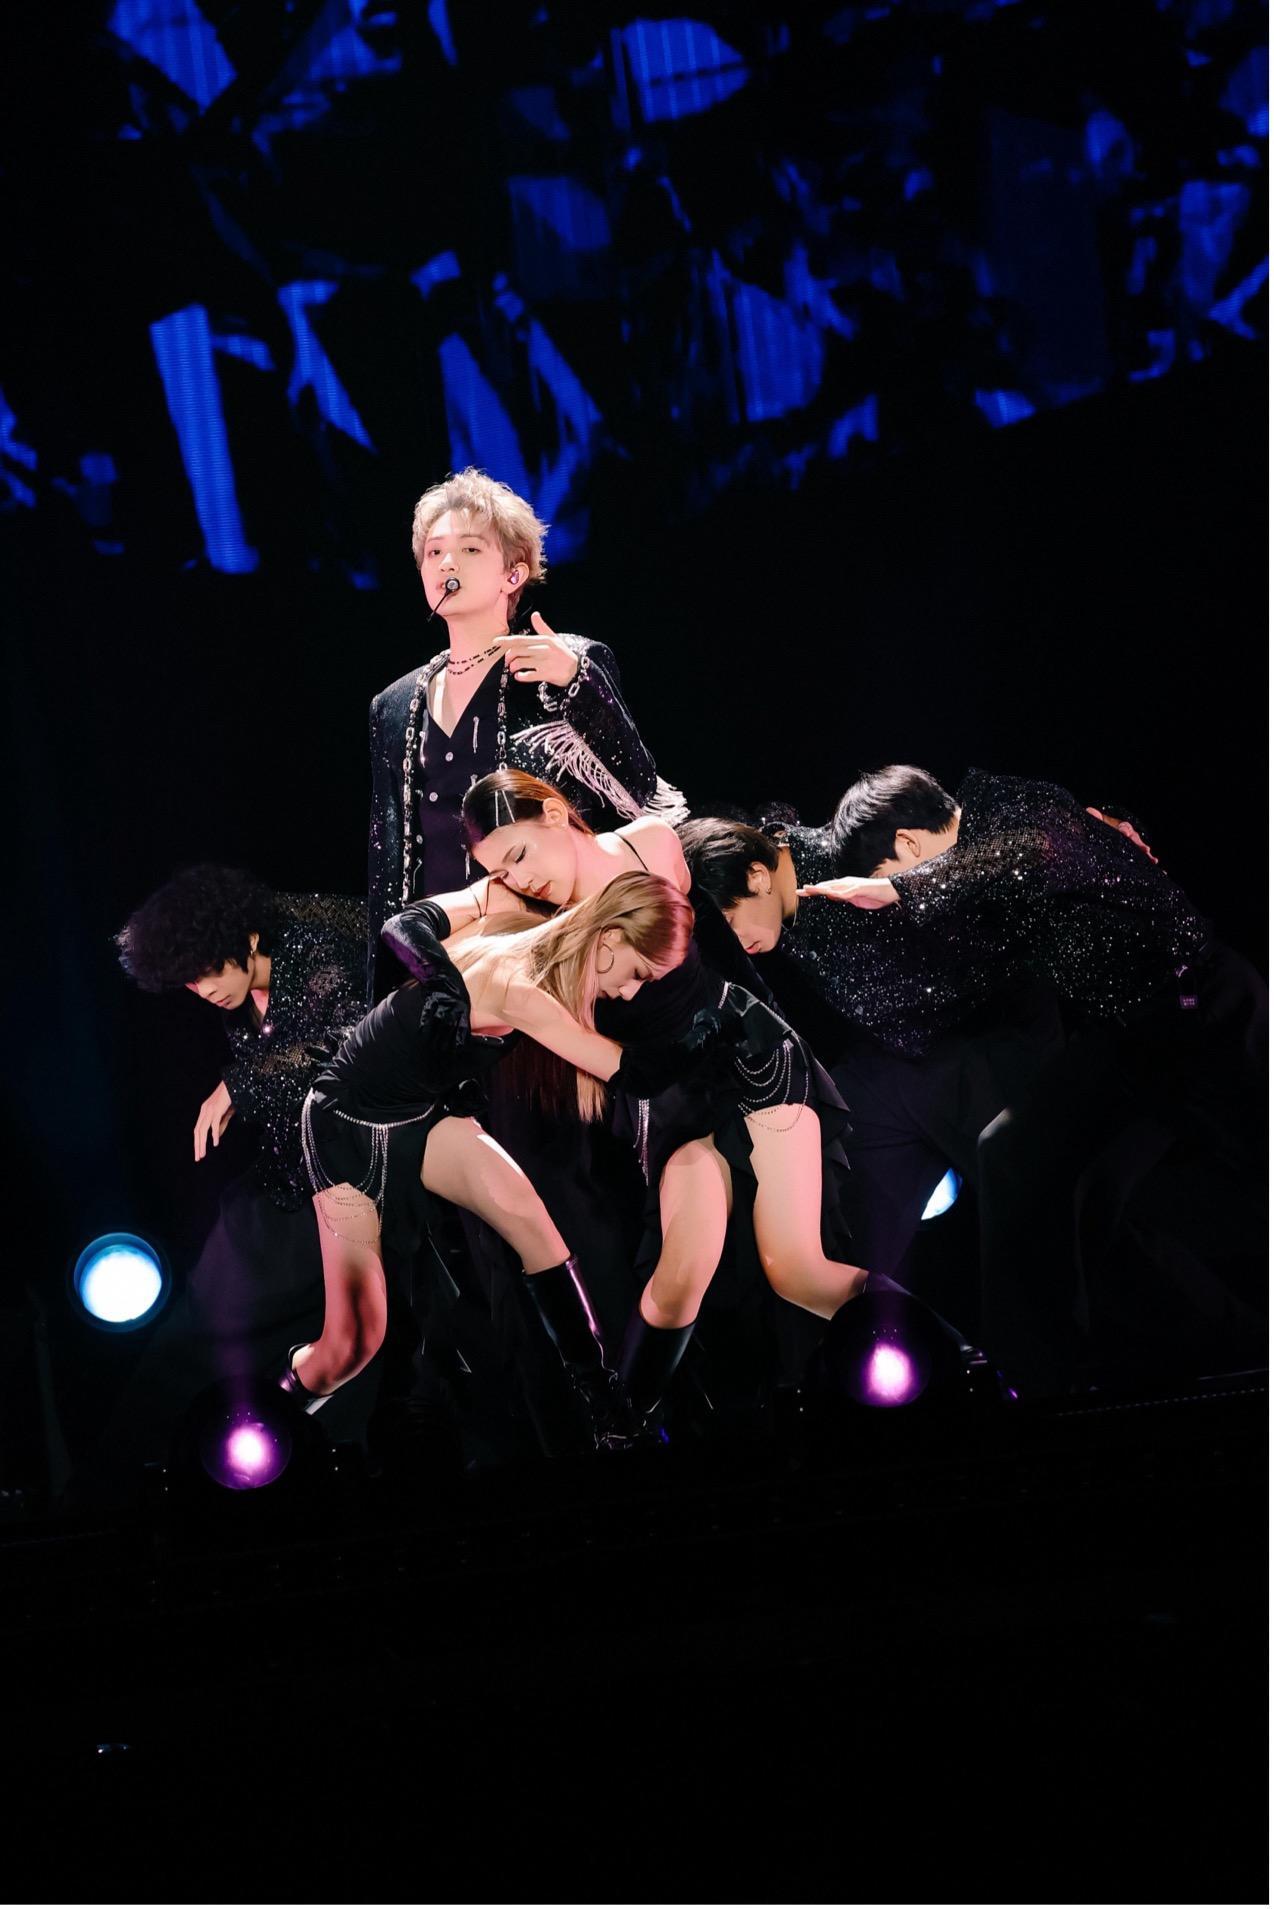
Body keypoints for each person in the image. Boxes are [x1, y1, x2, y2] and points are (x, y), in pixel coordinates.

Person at [805, 764, 1268, 1392]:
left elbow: (1034, 849)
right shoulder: (986, 859)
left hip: (1205, 1009)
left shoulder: (1009, 811)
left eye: (892, 869)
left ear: (908, 843)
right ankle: (1042, 1377)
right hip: (1126, 1039)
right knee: (1012, 1154)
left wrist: (899, 889)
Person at [433, 770, 870, 1429]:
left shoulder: (652, 844)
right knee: (676, 1284)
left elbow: (721, 956)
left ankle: (955, 1364)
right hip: (668, 1099)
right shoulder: (513, 907)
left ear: (555, 813)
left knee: (796, 1269)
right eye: (500, 869)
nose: (518, 877)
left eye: (519, 854)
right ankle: (624, 1428)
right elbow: (418, 934)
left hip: (748, 1058)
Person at [286, 871, 695, 1446]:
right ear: (608, 939)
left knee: (532, 1223)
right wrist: (713, 1039)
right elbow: (629, 1073)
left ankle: (610, 1414)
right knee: (353, 1344)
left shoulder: (529, 933)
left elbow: (417, 921)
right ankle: (274, 1416)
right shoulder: (519, 985)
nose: (629, 993)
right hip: (345, 1125)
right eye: (637, 975)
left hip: (421, 1115)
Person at [678, 810, 1066, 1287]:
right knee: (836, 1201)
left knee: (1042, 1230)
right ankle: (849, 1310)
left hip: (991, 1036)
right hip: (897, 1063)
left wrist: (1091, 831)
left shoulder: (854, 848)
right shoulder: (776, 903)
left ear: (757, 876)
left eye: (731, 922)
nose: (737, 943)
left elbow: (1012, 847)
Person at [367, 466, 684, 1004]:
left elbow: (638, 791)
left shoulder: (563, 666)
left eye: (470, 550)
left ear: (513, 575)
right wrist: (380, 988)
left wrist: (578, 684)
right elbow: (385, 861)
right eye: (434, 552)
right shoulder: (393, 705)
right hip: (440, 966)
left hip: (548, 957)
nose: (447, 563)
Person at [103, 870, 372, 1486]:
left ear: (247, 938)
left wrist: (239, 1084)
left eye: (207, 972)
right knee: (202, 1328)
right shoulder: (237, 994)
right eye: (189, 981)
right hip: (290, 1180)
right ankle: (128, 1484)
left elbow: (354, 1038)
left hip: (356, 1171)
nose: (203, 991)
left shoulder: (311, 939)